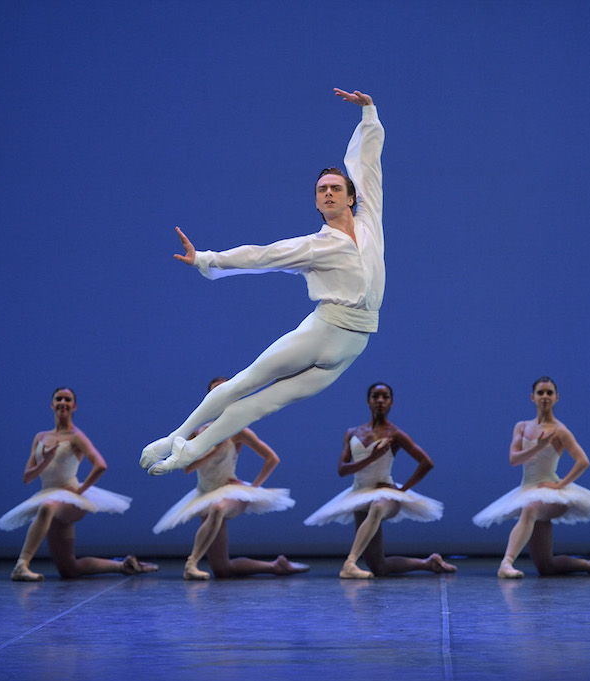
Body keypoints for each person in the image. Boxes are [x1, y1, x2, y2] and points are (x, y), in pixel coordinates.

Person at [140, 87, 385, 475]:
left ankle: (190, 451)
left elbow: (369, 168)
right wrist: (206, 258)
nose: (328, 193)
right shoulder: (315, 245)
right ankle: (175, 436)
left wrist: (368, 114)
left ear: (351, 197)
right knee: (246, 382)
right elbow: (262, 255)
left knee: (261, 405)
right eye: (321, 191)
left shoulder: (370, 220)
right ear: (317, 202)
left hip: (354, 344)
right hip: (325, 329)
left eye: (336, 188)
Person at [153, 378, 308, 579]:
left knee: (217, 508)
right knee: (222, 568)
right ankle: (276, 566)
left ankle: (191, 564)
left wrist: (253, 488)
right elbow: (188, 469)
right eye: (214, 392)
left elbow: (272, 458)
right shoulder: (197, 433)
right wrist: (212, 450)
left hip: (229, 491)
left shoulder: (238, 430)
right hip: (204, 493)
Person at [0, 388, 157, 581]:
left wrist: (79, 491)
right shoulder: (40, 437)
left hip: (68, 499)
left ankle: (21, 565)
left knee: (47, 506)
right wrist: (46, 460)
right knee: (68, 569)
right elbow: (27, 477)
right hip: (48, 494)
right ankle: (124, 565)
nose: (62, 402)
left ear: (74, 406)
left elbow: (100, 465)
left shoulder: (75, 436)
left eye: (67, 399)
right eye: (58, 399)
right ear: (52, 404)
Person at [304, 383, 455, 579]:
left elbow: (427, 462)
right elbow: (342, 470)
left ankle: (349, 563)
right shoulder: (352, 432)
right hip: (359, 494)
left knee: (376, 508)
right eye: (376, 396)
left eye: (385, 397)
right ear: (368, 401)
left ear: (391, 402)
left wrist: (403, 490)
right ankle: (430, 563)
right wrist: (371, 458)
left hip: (385, 494)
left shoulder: (395, 434)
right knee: (378, 567)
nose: (380, 401)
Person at [472, 377, 590, 578]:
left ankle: (506, 563)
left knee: (530, 508)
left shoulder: (560, 431)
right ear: (532, 397)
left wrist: (560, 486)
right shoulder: (522, 427)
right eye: (541, 392)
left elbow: (583, 461)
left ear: (557, 398)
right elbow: (513, 459)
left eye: (549, 393)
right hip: (527, 489)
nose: (545, 396)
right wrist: (538, 447)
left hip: (550, 493)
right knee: (546, 567)